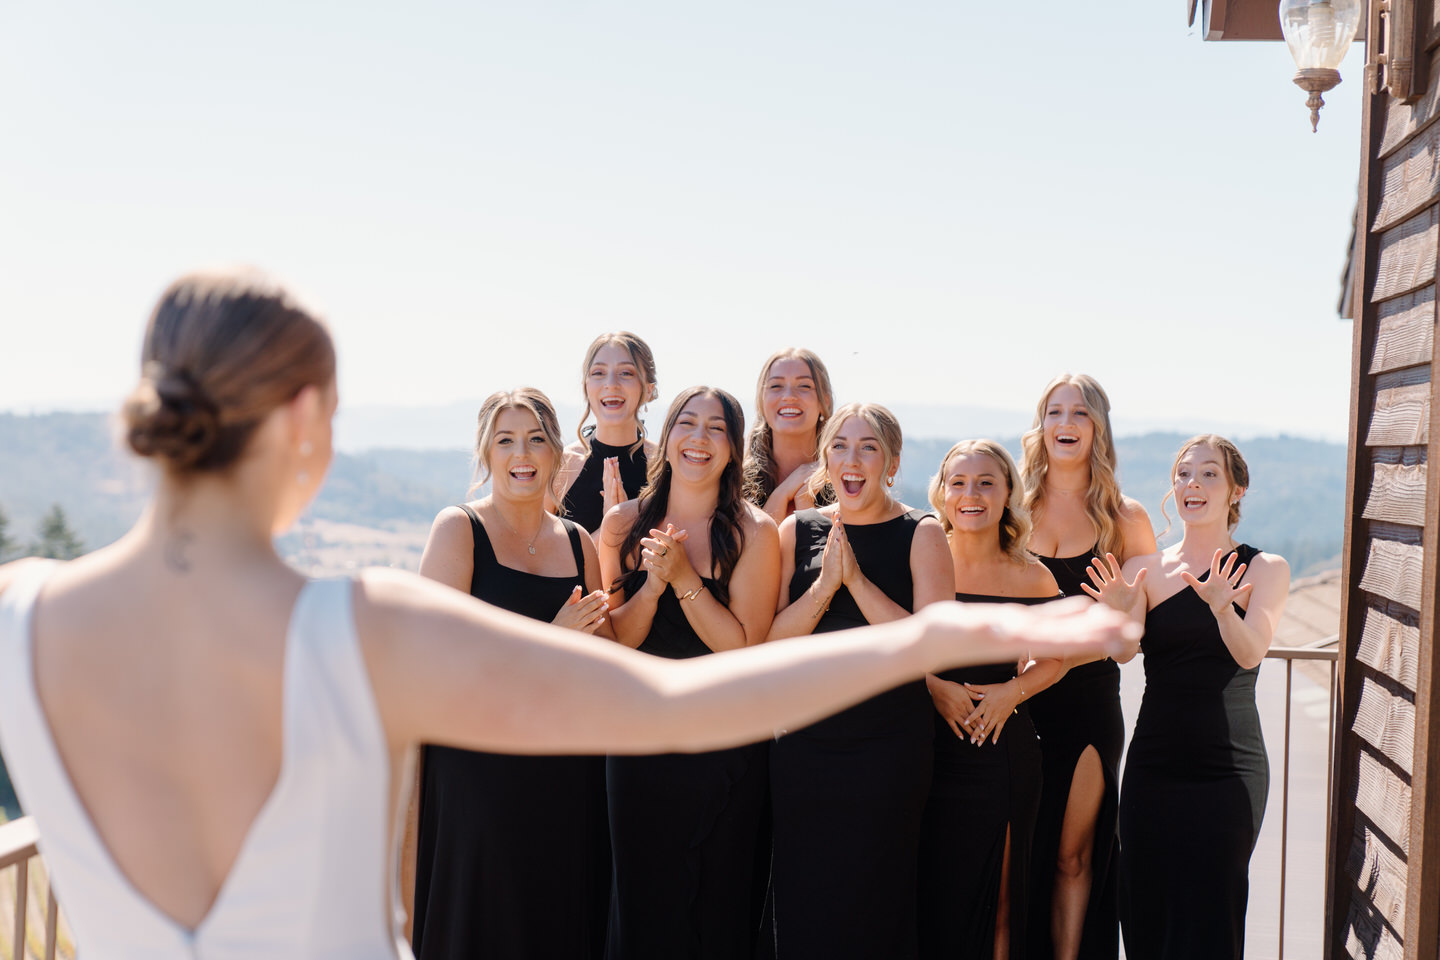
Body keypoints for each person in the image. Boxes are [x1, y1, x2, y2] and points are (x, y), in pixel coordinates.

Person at [0, 269, 1135, 960]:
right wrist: (939, 637)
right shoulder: (361, 626)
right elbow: (681, 704)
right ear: (309, 421)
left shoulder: (22, 618)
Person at [405, 388, 612, 959]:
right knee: (483, 919)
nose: (522, 453)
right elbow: (433, 663)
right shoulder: (459, 529)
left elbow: (606, 656)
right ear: (486, 454)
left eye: (536, 439)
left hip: (566, 767)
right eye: (506, 441)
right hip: (479, 765)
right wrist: (554, 638)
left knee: (556, 915)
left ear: (555, 453)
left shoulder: (579, 543)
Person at [1085, 435, 1288, 960]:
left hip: (1229, 769)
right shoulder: (1144, 571)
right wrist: (1119, 612)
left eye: (1208, 474)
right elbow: (1124, 652)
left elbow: (1249, 654)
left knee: (1213, 913)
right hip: (1154, 768)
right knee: (1147, 907)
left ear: (1236, 489)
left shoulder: (1265, 569)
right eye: (1182, 474)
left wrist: (1223, 608)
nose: (1191, 484)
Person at [765, 402, 954, 959]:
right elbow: (772, 645)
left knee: (878, 897)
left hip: (888, 749)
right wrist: (824, 588)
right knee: (805, 897)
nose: (852, 459)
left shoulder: (922, 532)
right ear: (825, 459)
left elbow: (931, 646)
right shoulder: (794, 531)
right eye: (840, 446)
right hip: (804, 745)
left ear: (891, 462)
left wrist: (856, 582)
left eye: (868, 447)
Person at [597, 386, 779, 959]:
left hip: (724, 743)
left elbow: (744, 648)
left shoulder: (755, 531)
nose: (699, 438)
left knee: (718, 903)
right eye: (687, 424)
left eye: (716, 429)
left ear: (733, 449)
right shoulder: (622, 524)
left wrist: (683, 580)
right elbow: (616, 641)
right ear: (667, 435)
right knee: (642, 899)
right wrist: (652, 588)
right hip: (640, 740)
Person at [1018, 374, 1156, 960]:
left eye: (1080, 412)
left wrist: (1121, 615)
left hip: (1087, 711)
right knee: (1018, 859)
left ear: (1097, 427)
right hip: (1013, 707)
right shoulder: (1010, 507)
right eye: (1055, 412)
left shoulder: (1124, 518)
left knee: (1074, 855)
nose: (1066, 423)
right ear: (1040, 425)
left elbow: (1128, 646)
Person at [919, 440, 1063, 960]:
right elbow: (890, 639)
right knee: (929, 899)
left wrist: (1011, 693)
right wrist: (934, 686)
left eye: (986, 483)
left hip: (1002, 752)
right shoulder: (920, 558)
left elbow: (1058, 658)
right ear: (941, 492)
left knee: (1002, 902)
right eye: (958, 482)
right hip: (925, 752)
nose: (970, 494)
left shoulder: (1030, 573)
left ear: (1007, 495)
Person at [558, 332, 659, 534]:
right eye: (598, 373)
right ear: (586, 387)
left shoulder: (665, 466)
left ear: (648, 390)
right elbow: (537, 558)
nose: (611, 383)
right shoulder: (561, 466)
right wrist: (611, 528)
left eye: (626, 373)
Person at [741, 348, 834, 524]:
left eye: (804, 386)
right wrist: (782, 494)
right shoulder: (734, 483)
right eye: (776, 386)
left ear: (825, 402)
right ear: (761, 401)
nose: (789, 396)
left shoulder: (843, 480)